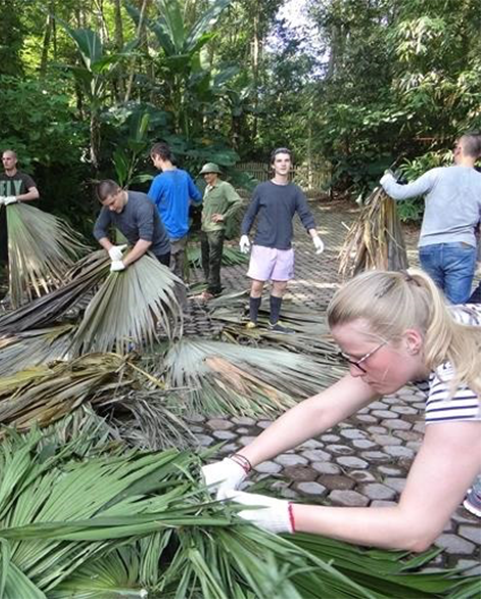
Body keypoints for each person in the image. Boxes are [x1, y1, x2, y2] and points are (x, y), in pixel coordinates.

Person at [202, 269, 481, 549]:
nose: (354, 372)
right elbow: (322, 409)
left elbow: (414, 529)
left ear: (411, 341)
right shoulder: (435, 322)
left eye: (361, 358)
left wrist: (281, 515)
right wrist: (237, 463)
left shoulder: (460, 391)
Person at [380, 132, 481, 304]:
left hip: (430, 247)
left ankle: (432, 330)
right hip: (462, 248)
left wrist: (387, 179)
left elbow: (399, 192)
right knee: (456, 308)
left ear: (458, 150)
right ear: (478, 155)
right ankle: (455, 330)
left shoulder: (436, 174)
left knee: (433, 304)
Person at [239, 148, 324, 332]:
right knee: (257, 284)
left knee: (280, 285)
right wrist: (244, 234)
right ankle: (253, 319)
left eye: (286, 160)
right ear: (273, 165)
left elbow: (306, 215)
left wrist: (315, 237)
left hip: (284, 245)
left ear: (290, 164)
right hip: (263, 244)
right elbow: (250, 214)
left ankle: (274, 322)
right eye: (279, 161)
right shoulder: (262, 189)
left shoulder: (295, 191)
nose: (283, 164)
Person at [0, 149, 40, 279]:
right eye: (4, 159)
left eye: (9, 159)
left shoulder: (24, 178)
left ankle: (24, 286)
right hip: (3, 222)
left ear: (15, 160)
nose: (5, 161)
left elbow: (35, 193)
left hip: (20, 222)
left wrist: (16, 198)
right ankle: (10, 287)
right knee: (5, 256)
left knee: (23, 254)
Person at [148, 142, 202, 279]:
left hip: (166, 234)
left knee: (166, 276)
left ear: (158, 157)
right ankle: (181, 300)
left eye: (153, 159)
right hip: (183, 232)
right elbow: (197, 197)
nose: (154, 164)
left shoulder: (159, 181)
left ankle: (169, 301)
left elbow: (148, 205)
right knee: (179, 274)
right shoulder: (184, 176)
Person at [93, 180, 172, 271]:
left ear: (119, 192)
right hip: (136, 249)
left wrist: (123, 263)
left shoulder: (142, 205)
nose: (111, 208)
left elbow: (145, 241)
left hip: (158, 251)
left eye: (112, 203)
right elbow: (98, 229)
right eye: (107, 205)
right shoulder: (109, 208)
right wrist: (110, 248)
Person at [196, 163, 242, 301]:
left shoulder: (224, 187)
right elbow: (206, 205)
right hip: (205, 228)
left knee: (214, 259)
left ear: (216, 174)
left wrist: (224, 216)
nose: (206, 176)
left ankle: (213, 289)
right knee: (205, 258)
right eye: (204, 174)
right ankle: (211, 284)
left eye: (209, 173)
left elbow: (238, 202)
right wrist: (204, 214)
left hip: (216, 229)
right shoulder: (208, 188)